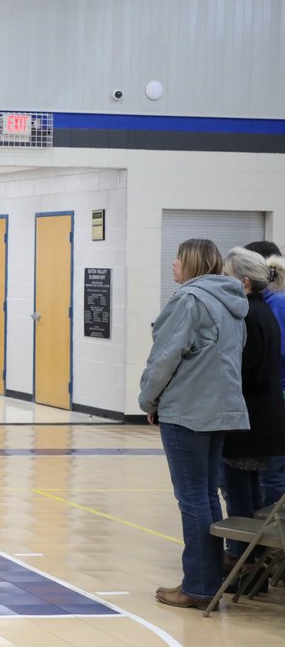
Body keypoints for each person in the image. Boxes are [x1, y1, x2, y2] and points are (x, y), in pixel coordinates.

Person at [139, 238, 249, 609]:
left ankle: (198, 587)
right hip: (222, 411)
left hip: (187, 412)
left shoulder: (189, 300)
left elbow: (164, 358)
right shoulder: (233, 302)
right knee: (205, 497)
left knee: (191, 499)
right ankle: (209, 581)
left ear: (193, 264)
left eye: (178, 258)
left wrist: (148, 399)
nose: (173, 264)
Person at [220, 248, 285, 563]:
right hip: (259, 418)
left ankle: (242, 560)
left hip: (248, 421)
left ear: (243, 281)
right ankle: (249, 561)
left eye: (227, 275)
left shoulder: (248, 314)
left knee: (240, 495)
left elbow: (245, 371)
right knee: (247, 490)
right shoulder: (263, 310)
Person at [244, 240, 285, 507]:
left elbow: (275, 353)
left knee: (271, 476)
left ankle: (273, 544)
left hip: (275, 397)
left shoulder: (274, 305)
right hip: (268, 396)